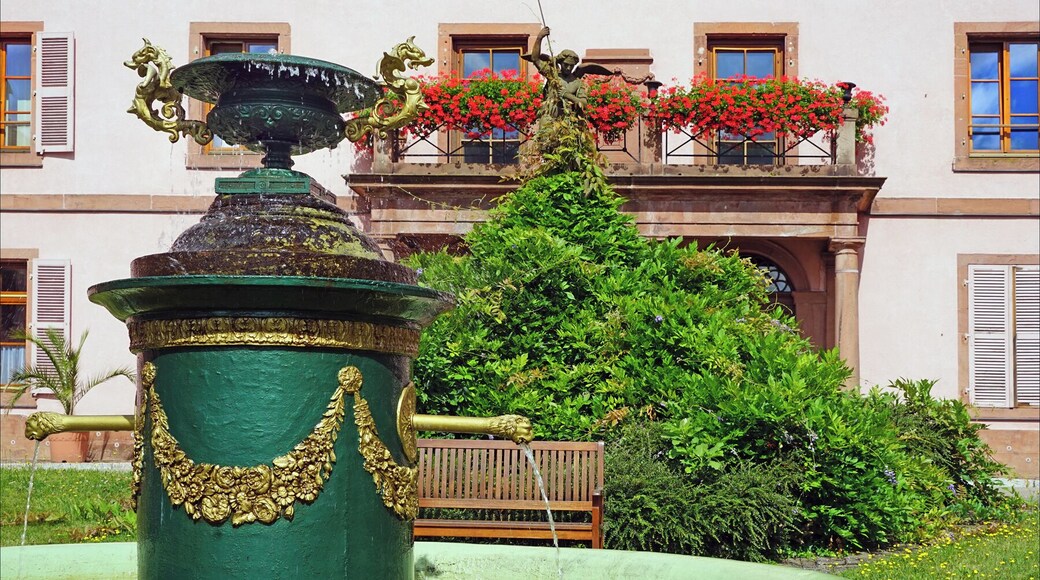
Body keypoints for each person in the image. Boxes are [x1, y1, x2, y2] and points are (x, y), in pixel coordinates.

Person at [522, 27, 613, 122]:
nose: (569, 68)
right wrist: (539, 38)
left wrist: (567, 95)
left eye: (571, 66)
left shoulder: (577, 82)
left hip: (568, 123)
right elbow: (535, 59)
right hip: (548, 121)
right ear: (560, 63)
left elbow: (584, 103)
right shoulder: (552, 75)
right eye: (566, 65)